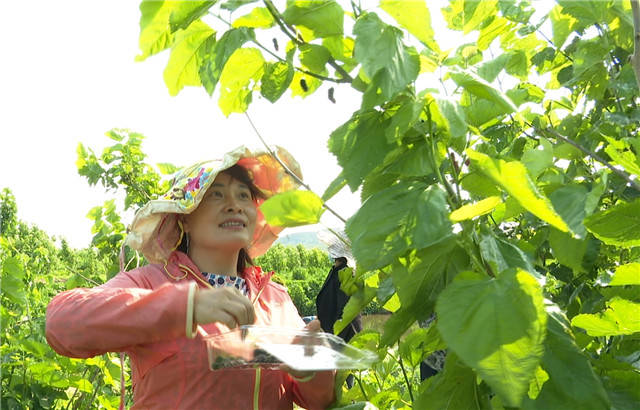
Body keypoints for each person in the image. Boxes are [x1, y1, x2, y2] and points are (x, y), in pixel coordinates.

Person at [46, 146, 335, 410]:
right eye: (216, 194)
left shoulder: (275, 298)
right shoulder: (152, 283)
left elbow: (316, 401)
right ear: (184, 217)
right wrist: (187, 306)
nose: (234, 205)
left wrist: (312, 367)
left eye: (244, 195)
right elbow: (62, 324)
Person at [315, 232, 361, 389]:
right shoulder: (336, 270)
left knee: (343, 387)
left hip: (341, 341)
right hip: (334, 339)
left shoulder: (344, 273)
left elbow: (346, 312)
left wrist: (334, 342)